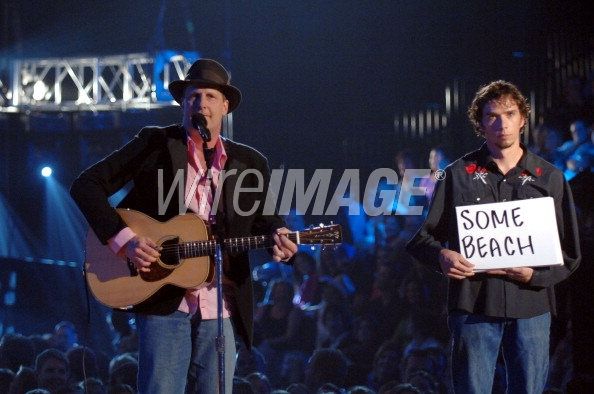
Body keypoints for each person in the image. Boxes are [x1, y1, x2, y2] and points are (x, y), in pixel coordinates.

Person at [70, 58, 298, 393]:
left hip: (221, 302)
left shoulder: (250, 163)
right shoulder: (155, 146)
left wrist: (280, 238)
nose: (200, 104)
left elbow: (266, 220)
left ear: (224, 107)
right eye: (193, 96)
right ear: (182, 104)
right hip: (162, 294)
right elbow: (86, 185)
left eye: (209, 96)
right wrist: (127, 240)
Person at [406, 80, 581, 394]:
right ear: (479, 123)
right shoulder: (456, 175)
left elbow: (570, 253)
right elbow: (422, 240)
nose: (502, 123)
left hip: (531, 304)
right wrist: (441, 256)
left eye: (510, 114)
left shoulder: (550, 178)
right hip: (473, 304)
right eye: (492, 116)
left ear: (523, 119)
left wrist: (537, 274)